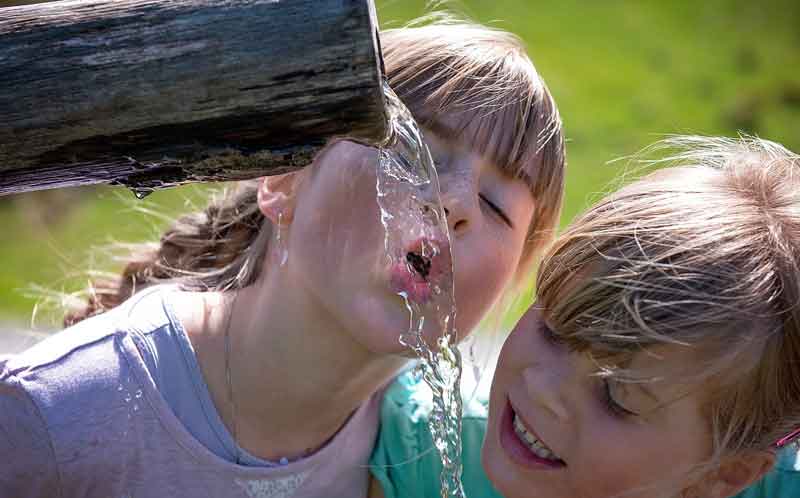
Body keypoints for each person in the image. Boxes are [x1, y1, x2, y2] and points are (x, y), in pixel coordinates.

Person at [0, 18, 566, 498]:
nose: (455, 203)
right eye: (414, 151)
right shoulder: (56, 415)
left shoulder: (448, 458)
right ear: (283, 179)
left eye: (496, 206)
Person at [372, 135, 800, 498]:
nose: (542, 389)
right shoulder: (417, 456)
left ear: (724, 474)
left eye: (615, 396)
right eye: (553, 329)